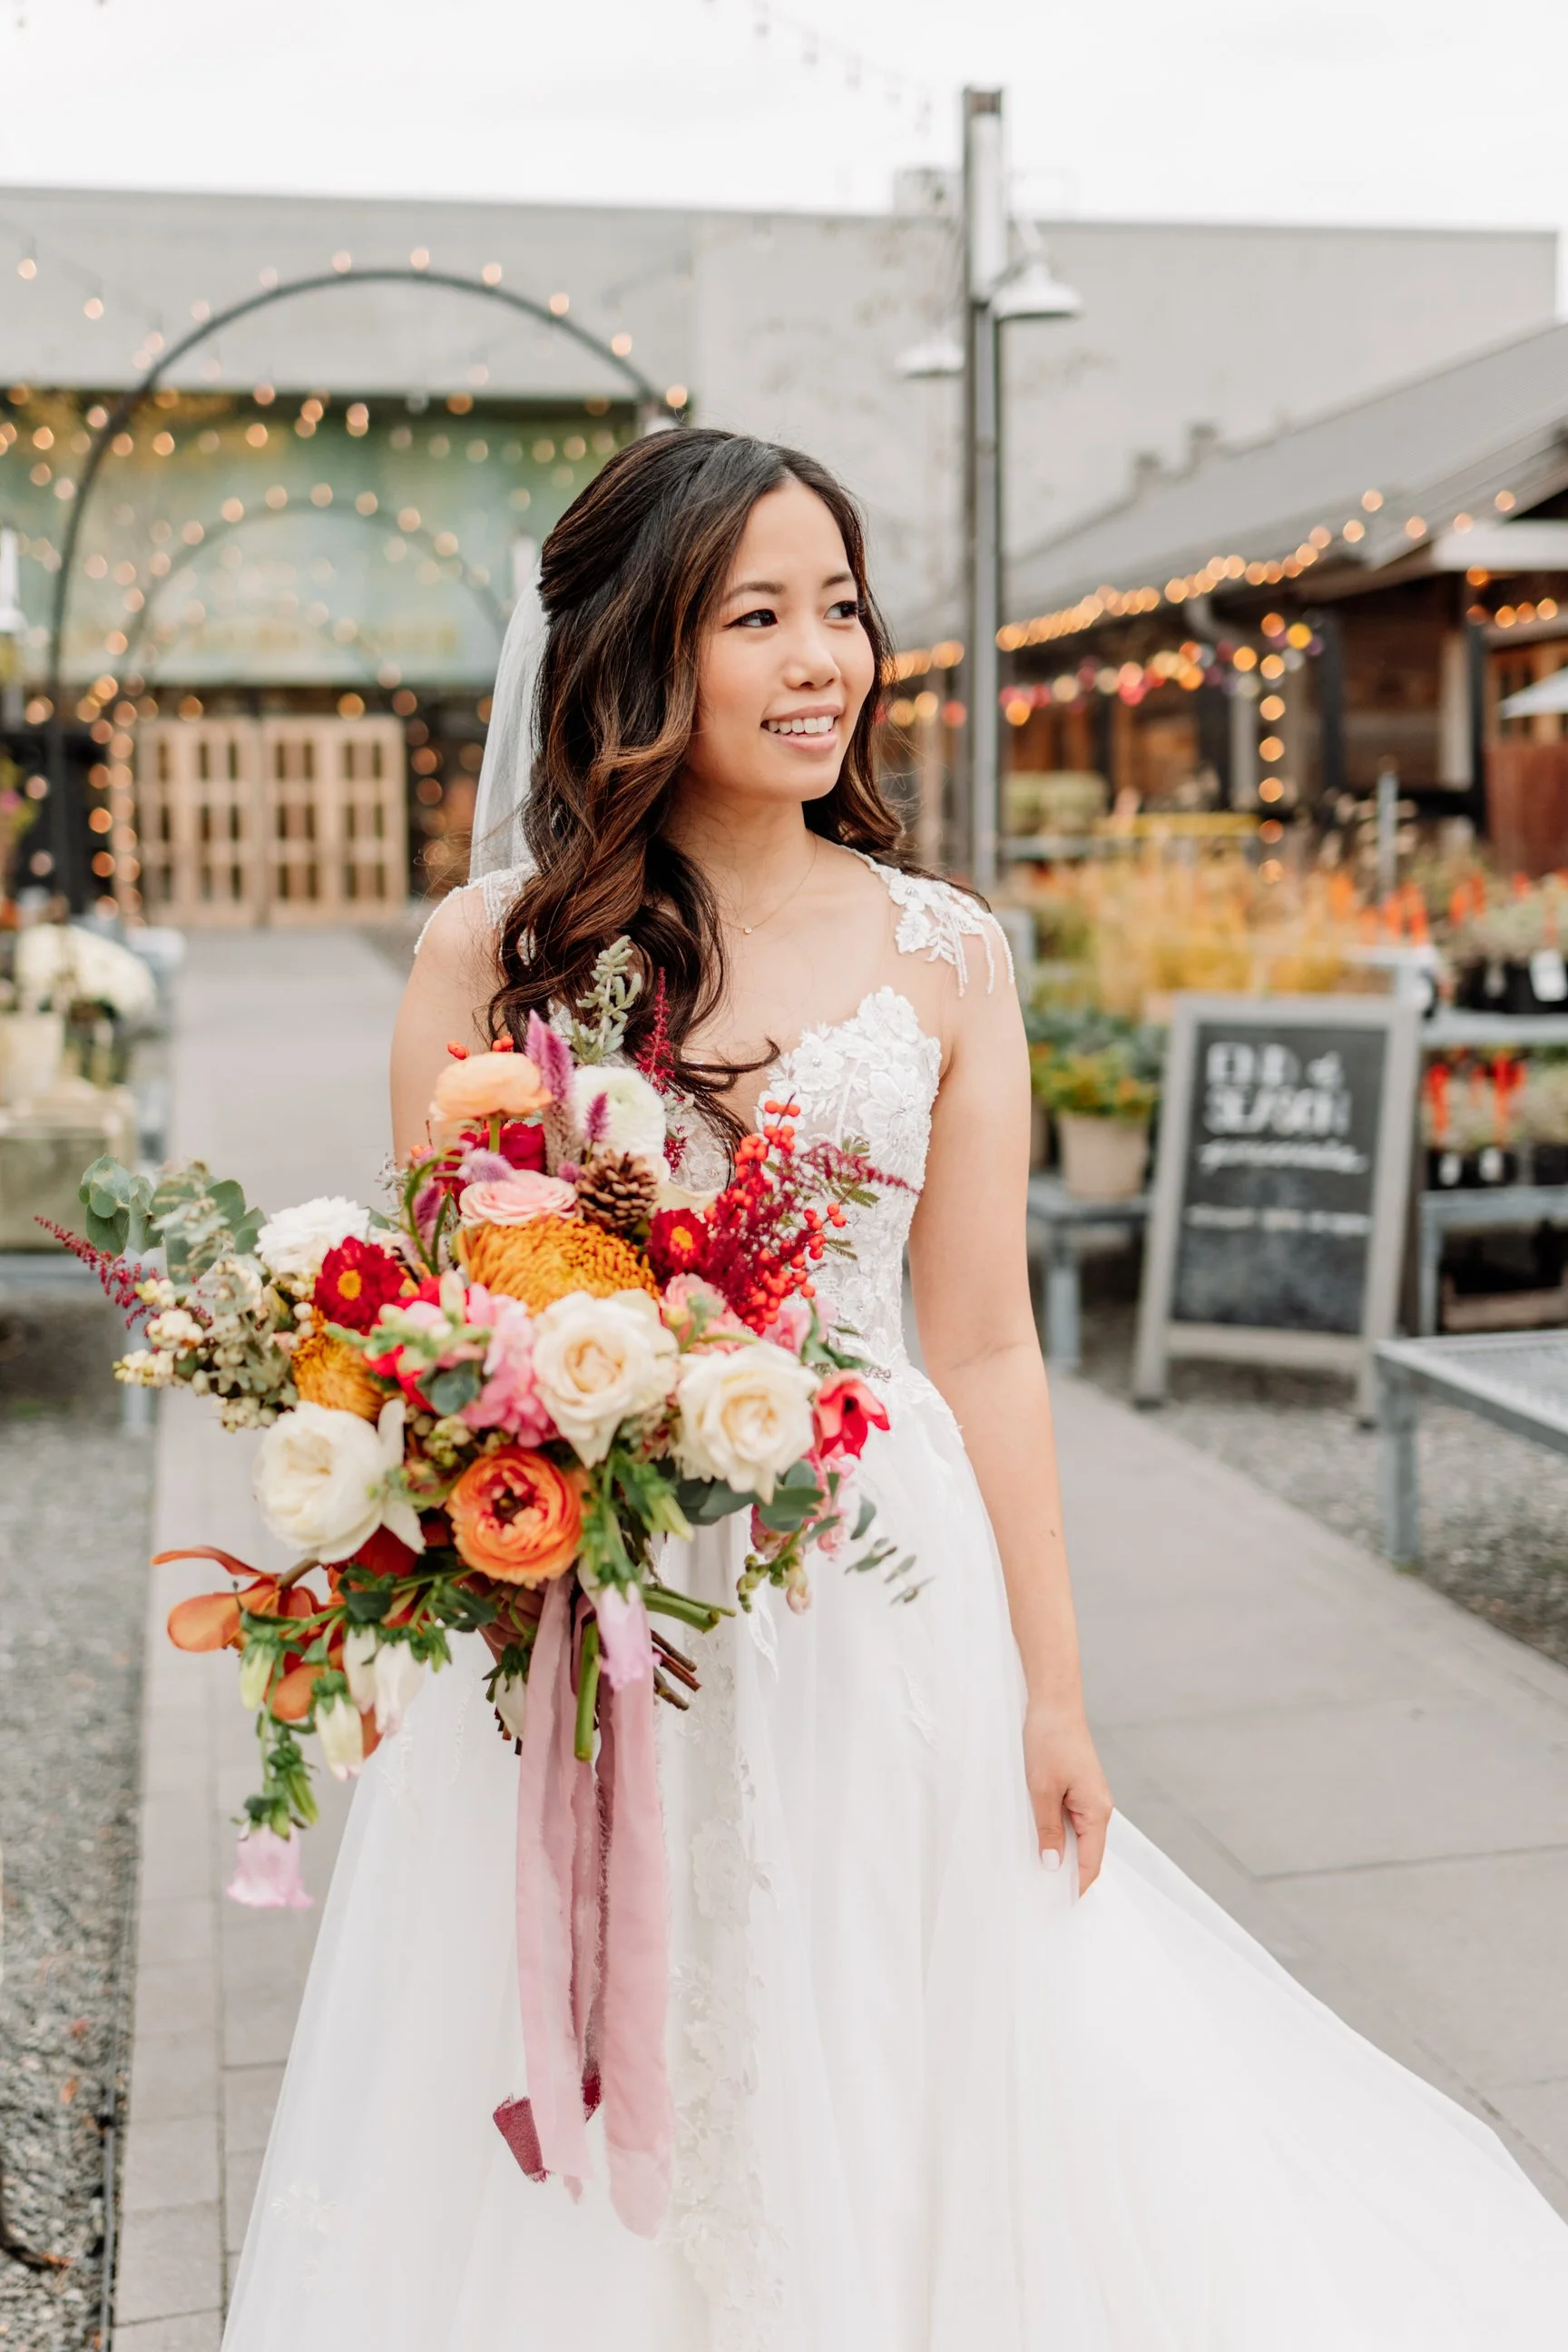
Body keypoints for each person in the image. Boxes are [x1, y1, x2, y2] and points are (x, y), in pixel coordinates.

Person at [225, 430, 1568, 2349]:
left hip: (877, 1584)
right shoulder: (498, 952)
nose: (815, 659)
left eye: (838, 609)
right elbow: (442, 1338)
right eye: (752, 615)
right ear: (638, 648)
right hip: (597, 1615)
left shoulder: (948, 956)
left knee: (878, 2027)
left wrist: (1057, 1690)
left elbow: (990, 1341)